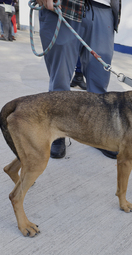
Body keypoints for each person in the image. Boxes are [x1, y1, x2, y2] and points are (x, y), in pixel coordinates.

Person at [37, 0, 121, 159]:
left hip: (104, 10)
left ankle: (97, 133)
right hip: (65, 5)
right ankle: (57, 132)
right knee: (59, 80)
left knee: (99, 80)